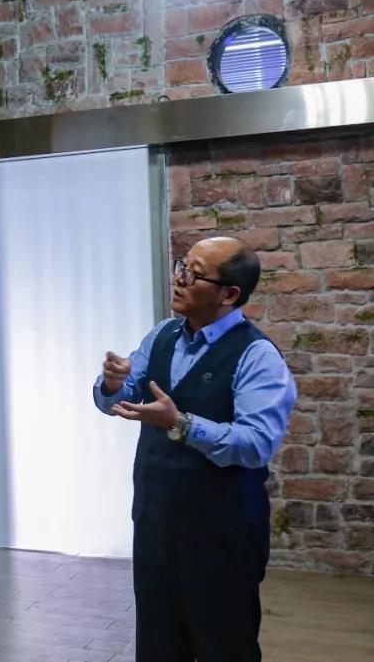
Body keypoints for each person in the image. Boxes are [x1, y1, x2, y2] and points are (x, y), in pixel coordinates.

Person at [94, 236, 297, 662]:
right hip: (156, 524)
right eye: (181, 266)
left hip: (222, 534)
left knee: (223, 645)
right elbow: (122, 400)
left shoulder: (257, 356)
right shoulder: (163, 335)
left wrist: (181, 424)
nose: (179, 278)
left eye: (194, 273)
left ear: (230, 295)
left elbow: (256, 444)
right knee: (158, 643)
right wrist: (112, 385)